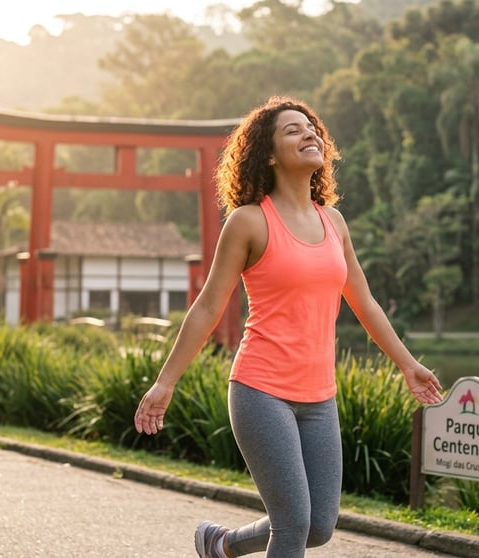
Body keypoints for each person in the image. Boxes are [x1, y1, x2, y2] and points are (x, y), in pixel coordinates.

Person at [133, 96, 443, 558]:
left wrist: (408, 364)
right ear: (270, 154)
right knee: (293, 523)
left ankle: (222, 544)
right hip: (261, 390)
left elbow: (365, 302)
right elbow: (207, 308)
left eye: (312, 128)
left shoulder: (333, 222)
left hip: (320, 396)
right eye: (293, 130)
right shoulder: (249, 222)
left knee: (319, 526)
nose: (309, 135)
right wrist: (165, 382)